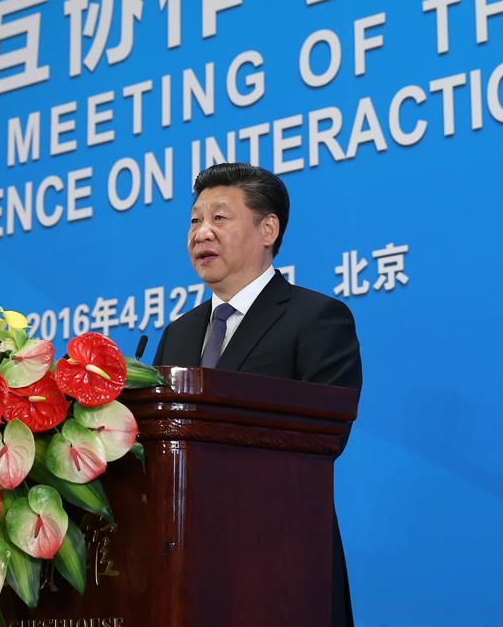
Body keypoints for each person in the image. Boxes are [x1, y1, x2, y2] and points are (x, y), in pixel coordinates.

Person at [153, 162, 362, 627]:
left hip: (280, 560)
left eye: (219, 218)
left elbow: (325, 439)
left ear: (268, 228)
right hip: (184, 563)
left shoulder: (316, 319)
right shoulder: (178, 335)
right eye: (194, 220)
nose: (201, 232)